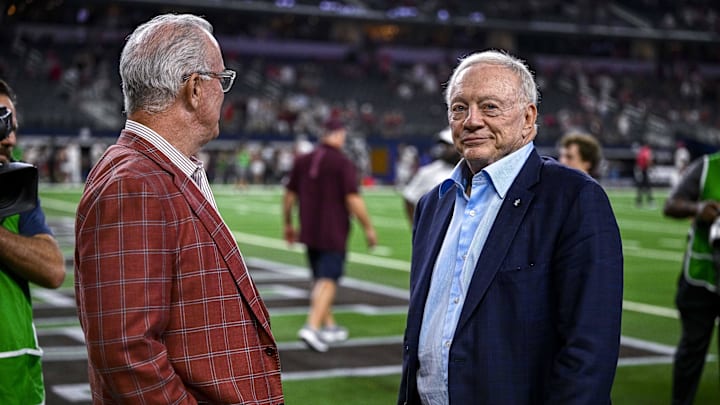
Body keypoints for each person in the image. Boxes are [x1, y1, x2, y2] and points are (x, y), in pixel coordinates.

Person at [74, 14, 284, 404]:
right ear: (194, 88)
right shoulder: (135, 182)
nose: (225, 93)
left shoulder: (152, 170)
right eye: (221, 81)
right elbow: (126, 352)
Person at [397, 50, 623, 404]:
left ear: (528, 118)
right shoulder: (433, 204)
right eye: (459, 108)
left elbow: (589, 350)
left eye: (489, 107)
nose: (471, 120)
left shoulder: (573, 198)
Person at [283, 118, 377, 352]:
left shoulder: (303, 160)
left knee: (319, 277)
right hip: (332, 229)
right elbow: (353, 198)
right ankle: (312, 327)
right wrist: (368, 227)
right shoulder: (342, 163)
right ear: (339, 134)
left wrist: (288, 224)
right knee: (328, 280)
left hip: (309, 228)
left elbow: (289, 196)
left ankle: (329, 325)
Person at [0, 79, 66, 404]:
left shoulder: (15, 192)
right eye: (0, 121)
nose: (10, 137)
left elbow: (53, 269)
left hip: (18, 382)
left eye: (12, 124)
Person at [663, 152, 720, 405]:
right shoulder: (708, 166)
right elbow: (671, 204)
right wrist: (697, 208)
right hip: (700, 274)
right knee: (691, 352)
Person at [402, 127, 461, 224]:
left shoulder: (473, 171)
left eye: (449, 145)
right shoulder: (429, 172)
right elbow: (409, 198)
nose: (444, 149)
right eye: (443, 145)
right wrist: (416, 228)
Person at [635, 141, 655, 207]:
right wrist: (651, 167)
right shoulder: (647, 151)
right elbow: (648, 160)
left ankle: (639, 201)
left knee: (641, 186)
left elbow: (638, 161)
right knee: (648, 186)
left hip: (640, 169)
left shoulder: (641, 151)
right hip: (645, 170)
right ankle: (650, 201)